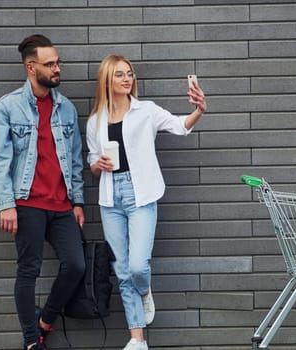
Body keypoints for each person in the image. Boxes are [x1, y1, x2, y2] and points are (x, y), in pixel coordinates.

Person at [86, 55, 207, 350]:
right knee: (122, 268)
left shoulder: (146, 111)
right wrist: (97, 164)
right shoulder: (96, 121)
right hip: (110, 197)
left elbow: (180, 125)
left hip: (141, 195)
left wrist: (199, 110)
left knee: (137, 267)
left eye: (129, 73)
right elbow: (91, 160)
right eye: (119, 75)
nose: (127, 79)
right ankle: (137, 339)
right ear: (107, 81)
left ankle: (145, 288)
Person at [0, 34, 86, 350]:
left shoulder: (66, 109)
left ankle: (45, 321)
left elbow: (73, 160)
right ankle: (32, 341)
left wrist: (78, 201)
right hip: (26, 202)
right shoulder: (7, 107)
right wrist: (6, 205)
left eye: (57, 62)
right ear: (32, 68)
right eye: (50, 64)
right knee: (28, 269)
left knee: (76, 265)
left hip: (61, 205)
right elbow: (0, 161)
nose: (57, 68)